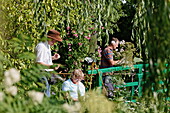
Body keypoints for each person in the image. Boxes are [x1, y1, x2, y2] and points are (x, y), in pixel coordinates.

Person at [35, 29, 64, 97]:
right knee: (45, 93)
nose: (54, 42)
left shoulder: (47, 46)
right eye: (54, 40)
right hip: (40, 73)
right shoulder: (41, 47)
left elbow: (43, 59)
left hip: (46, 73)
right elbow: (38, 63)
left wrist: (53, 58)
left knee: (47, 91)